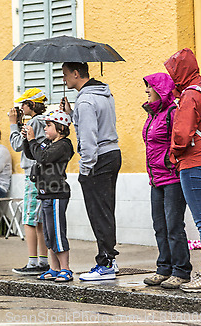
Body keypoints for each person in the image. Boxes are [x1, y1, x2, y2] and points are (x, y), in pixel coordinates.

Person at [61, 62, 122, 281]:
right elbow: (97, 124)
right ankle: (109, 260)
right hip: (113, 153)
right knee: (106, 210)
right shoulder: (104, 93)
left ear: (77, 74)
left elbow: (88, 139)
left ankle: (105, 262)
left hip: (98, 159)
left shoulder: (85, 100)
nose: (64, 79)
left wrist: (85, 169)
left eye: (66, 75)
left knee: (98, 212)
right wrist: (72, 114)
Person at [164, 48, 201, 292]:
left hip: (194, 164)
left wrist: (173, 153)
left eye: (173, 71)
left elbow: (182, 135)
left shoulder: (189, 97)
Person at [140, 73, 192, 289]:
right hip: (155, 179)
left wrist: (167, 161)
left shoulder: (172, 112)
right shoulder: (152, 114)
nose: (146, 91)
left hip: (171, 178)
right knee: (159, 226)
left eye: (149, 87)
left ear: (160, 89)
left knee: (174, 227)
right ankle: (164, 268)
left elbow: (179, 141)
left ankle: (181, 271)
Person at [23, 110, 74, 282]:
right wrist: (26, 139)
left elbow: (43, 158)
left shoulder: (64, 145)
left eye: (48, 125)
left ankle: (65, 268)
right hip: (45, 194)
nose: (45, 128)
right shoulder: (48, 142)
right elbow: (32, 154)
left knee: (58, 232)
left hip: (57, 194)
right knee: (48, 233)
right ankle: (54, 268)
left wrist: (32, 140)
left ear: (60, 128)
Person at [8, 88, 50, 275]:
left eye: (23, 104)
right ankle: (43, 260)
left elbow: (18, 145)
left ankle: (32, 263)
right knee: (39, 220)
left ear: (31, 105)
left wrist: (12, 124)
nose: (20, 108)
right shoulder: (44, 121)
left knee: (29, 219)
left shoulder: (32, 122)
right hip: (43, 174)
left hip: (32, 175)